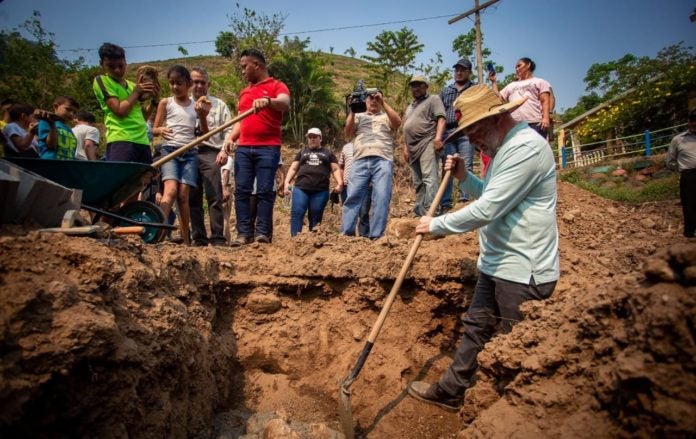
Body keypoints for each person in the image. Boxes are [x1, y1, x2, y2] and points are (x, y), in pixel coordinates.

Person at [407, 84, 560, 412]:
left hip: (523, 270)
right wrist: (465, 178)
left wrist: (435, 225)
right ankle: (452, 389)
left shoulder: (526, 149)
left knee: (519, 347)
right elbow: (490, 193)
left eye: (474, 129)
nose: (471, 139)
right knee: (476, 327)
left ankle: (513, 414)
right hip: (497, 263)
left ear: (498, 119)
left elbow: (489, 209)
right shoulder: (504, 149)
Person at [225, 48, 290, 246]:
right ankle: (243, 234)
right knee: (242, 190)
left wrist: (268, 101)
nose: (243, 71)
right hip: (244, 148)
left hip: (268, 148)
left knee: (264, 191)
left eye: (245, 66)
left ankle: (262, 233)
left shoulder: (277, 85)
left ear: (256, 65)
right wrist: (230, 138)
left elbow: (285, 103)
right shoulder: (245, 92)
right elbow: (240, 121)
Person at [152, 65, 210, 246]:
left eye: (179, 83)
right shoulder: (166, 103)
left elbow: (205, 133)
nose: (175, 87)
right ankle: (157, 234)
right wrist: (159, 129)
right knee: (170, 191)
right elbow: (153, 129)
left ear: (189, 84)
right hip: (170, 152)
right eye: (172, 83)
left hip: (190, 153)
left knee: (184, 196)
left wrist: (202, 116)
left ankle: (186, 241)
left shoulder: (196, 106)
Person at [341, 88, 401, 239]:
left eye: (376, 98)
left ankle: (376, 235)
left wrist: (383, 102)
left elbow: (398, 122)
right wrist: (353, 109)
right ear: (365, 100)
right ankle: (346, 233)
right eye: (369, 97)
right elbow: (347, 133)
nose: (373, 100)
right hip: (360, 160)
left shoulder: (385, 116)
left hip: (382, 159)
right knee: (352, 196)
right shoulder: (359, 116)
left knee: (381, 197)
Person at [188, 67, 233, 247]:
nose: (199, 85)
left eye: (202, 82)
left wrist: (224, 150)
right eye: (195, 82)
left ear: (209, 84)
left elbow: (229, 130)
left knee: (214, 196)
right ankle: (198, 237)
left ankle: (217, 238)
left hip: (211, 153)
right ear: (190, 83)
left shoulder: (219, 105)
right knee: (193, 197)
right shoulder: (183, 103)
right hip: (189, 153)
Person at [93, 42, 159, 164]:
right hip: (121, 140)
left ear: (126, 63)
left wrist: (155, 101)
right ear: (101, 64)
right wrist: (136, 92)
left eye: (121, 65)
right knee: (122, 180)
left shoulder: (132, 86)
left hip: (142, 141)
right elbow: (119, 111)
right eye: (111, 66)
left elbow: (143, 117)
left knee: (144, 182)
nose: (117, 70)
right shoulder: (102, 81)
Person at [283, 127, 343, 236]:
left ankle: (314, 239)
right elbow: (293, 168)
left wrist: (340, 183)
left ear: (320, 138)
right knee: (297, 212)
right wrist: (286, 182)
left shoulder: (328, 153)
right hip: (301, 188)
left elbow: (335, 169)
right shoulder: (302, 152)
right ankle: (295, 240)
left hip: (320, 190)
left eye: (315, 137)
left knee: (316, 214)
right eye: (310, 137)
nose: (312, 139)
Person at [402, 75, 446, 217]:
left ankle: (432, 213)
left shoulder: (433, 99)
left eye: (419, 85)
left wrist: (438, 138)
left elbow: (441, 118)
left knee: (429, 178)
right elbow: (406, 128)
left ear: (426, 86)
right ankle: (420, 212)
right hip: (412, 148)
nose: (415, 88)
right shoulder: (410, 107)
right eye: (413, 85)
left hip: (427, 142)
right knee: (418, 183)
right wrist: (405, 147)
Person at [439, 59, 476, 213]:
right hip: (448, 132)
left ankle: (464, 200)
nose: (459, 73)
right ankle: (446, 203)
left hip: (466, 131)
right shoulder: (446, 91)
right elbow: (439, 114)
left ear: (469, 72)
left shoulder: (475, 89)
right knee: (447, 167)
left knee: (466, 164)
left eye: (462, 70)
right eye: (457, 70)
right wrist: (438, 136)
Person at [489, 57, 552, 138]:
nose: (517, 69)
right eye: (515, 67)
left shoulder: (540, 82)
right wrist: (493, 82)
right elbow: (497, 98)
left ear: (528, 65)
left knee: (535, 149)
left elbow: (545, 100)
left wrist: (546, 118)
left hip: (535, 123)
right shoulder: (512, 85)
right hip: (515, 125)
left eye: (519, 66)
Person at [666, 110, 696, 238]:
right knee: (690, 204)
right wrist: (682, 169)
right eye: (692, 120)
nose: (694, 123)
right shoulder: (678, 140)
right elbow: (670, 161)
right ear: (689, 122)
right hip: (689, 175)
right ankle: (690, 233)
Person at [338, 141, 370, 236]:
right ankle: (347, 236)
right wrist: (341, 182)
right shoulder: (346, 147)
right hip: (347, 185)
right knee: (348, 210)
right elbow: (341, 166)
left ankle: (364, 237)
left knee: (363, 213)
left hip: (364, 185)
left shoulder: (368, 145)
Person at [36, 96, 79, 160]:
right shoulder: (45, 122)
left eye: (74, 112)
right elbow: (51, 146)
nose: (71, 114)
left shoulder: (69, 129)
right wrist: (52, 124)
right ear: (56, 106)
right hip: (50, 165)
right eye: (68, 109)